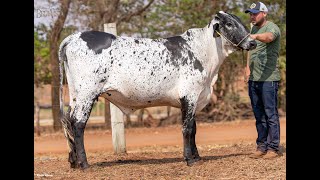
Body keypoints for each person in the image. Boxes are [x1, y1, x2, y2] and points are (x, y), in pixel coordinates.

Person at [244, 2, 281, 159]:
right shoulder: (253, 28)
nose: (252, 16)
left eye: (255, 13)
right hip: (254, 79)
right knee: (258, 114)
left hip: (269, 79)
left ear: (264, 13)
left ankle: (273, 148)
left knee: (270, 114)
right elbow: (251, 50)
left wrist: (256, 36)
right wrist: (247, 67)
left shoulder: (272, 27)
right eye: (251, 13)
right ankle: (261, 146)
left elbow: (268, 38)